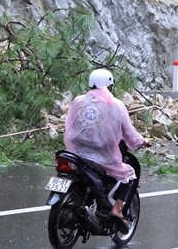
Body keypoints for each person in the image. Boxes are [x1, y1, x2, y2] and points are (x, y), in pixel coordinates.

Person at [63, 68, 147, 233]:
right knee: (129, 175)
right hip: (102, 157)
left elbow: (69, 124)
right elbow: (129, 133)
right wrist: (142, 141)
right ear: (109, 84)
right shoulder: (116, 105)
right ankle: (117, 209)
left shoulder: (78, 101)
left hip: (77, 153)